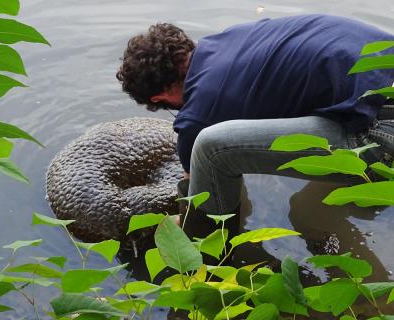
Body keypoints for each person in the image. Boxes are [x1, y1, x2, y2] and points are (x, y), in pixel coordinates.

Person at [116, 14, 394, 218]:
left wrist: (185, 219)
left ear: (159, 97)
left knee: (210, 149)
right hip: (382, 80)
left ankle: (207, 261)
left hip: (381, 131)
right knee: (311, 209)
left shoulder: (197, 116)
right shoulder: (236, 36)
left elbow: (201, 186)